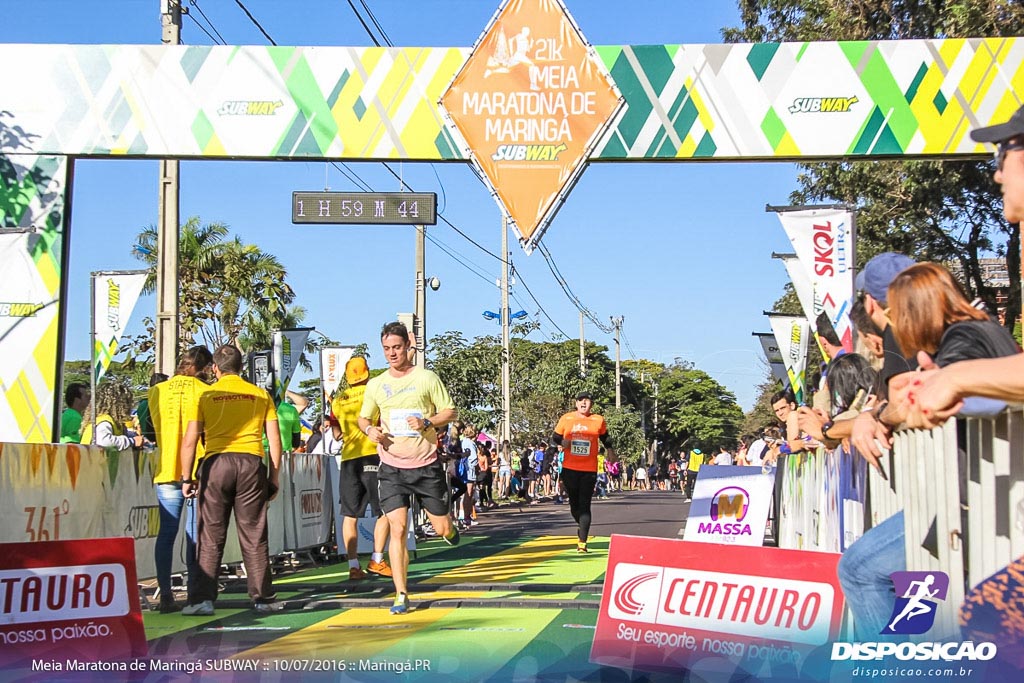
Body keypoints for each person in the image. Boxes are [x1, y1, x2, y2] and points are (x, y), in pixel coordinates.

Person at [358, 322, 459, 615]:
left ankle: (449, 529)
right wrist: (370, 431)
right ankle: (401, 594)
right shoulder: (376, 384)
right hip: (391, 468)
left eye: (397, 348)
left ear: (407, 346)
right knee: (398, 529)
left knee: (442, 527)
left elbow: (449, 410)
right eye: (387, 349)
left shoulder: (426, 378)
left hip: (426, 466)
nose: (392, 353)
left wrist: (428, 422)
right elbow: (364, 418)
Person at [179, 344, 282, 616]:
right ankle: (263, 598)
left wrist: (186, 477)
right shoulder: (261, 394)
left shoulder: (205, 396)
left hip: (215, 464)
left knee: (210, 534)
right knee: (254, 534)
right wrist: (274, 478)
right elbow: (275, 441)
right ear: (241, 368)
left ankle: (202, 600)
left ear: (215, 368)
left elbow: (190, 441)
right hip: (250, 463)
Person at [147, 346, 213, 614]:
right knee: (194, 534)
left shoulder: (156, 391)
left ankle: (165, 595)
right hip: (196, 469)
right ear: (205, 367)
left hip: (166, 468)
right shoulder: (205, 392)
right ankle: (194, 594)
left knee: (166, 534)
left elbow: (150, 430)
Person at [331, 356, 392, 581]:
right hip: (374, 456)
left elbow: (336, 433)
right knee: (384, 510)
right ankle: (377, 560)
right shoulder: (375, 391)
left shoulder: (338, 400)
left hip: (349, 459)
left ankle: (353, 566)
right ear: (367, 372)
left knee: (349, 515)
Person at [550, 391, 617, 553]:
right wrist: (563, 441)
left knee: (585, 504)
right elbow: (555, 437)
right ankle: (582, 526)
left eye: (587, 401)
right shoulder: (567, 418)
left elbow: (605, 437)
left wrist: (610, 451)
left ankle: (582, 542)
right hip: (569, 467)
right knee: (574, 505)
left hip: (589, 469)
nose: (584, 403)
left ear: (591, 404)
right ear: (576, 403)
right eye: (581, 401)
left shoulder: (598, 420)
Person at [81, 381, 146, 450]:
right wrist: (132, 441)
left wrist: (136, 438)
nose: (130, 406)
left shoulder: (112, 422)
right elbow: (102, 442)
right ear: (121, 404)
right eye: (128, 402)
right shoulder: (104, 422)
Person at [459, 424, 480, 526]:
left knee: (467, 493)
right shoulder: (470, 443)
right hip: (469, 470)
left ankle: (465, 515)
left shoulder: (463, 442)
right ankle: (466, 516)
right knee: (468, 493)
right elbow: (473, 459)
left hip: (465, 470)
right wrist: (476, 467)